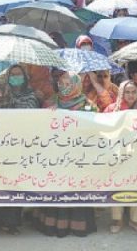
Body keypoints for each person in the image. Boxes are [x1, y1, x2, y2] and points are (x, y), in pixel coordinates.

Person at [33, 71, 96, 237]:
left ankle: (78, 226)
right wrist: (48, 114)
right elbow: (39, 126)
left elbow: (96, 126)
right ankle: (54, 225)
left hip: (78, 156)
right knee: (56, 188)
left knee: (76, 189)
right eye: (61, 83)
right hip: (56, 156)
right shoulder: (52, 101)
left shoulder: (86, 103)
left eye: (68, 84)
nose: (64, 87)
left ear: (76, 85)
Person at [104, 80, 137, 233]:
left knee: (136, 184)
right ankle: (117, 219)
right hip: (116, 154)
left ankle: (135, 220)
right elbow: (103, 130)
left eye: (133, 92)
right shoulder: (111, 109)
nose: (130, 95)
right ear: (121, 93)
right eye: (127, 92)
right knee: (117, 185)